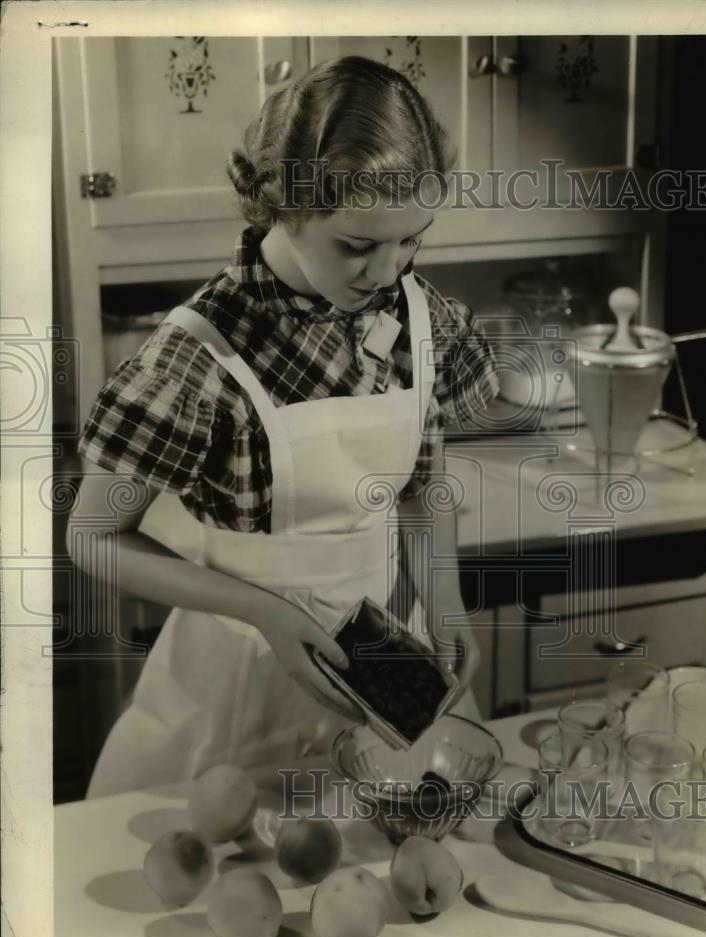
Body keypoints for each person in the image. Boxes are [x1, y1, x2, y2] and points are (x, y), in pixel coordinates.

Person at [68, 55, 500, 798]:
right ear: (280, 204)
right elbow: (91, 538)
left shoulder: (423, 320)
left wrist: (445, 597)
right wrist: (263, 610)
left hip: (386, 656)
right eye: (357, 246)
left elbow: (421, 486)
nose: (387, 272)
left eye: (410, 240)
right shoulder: (195, 354)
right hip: (236, 670)